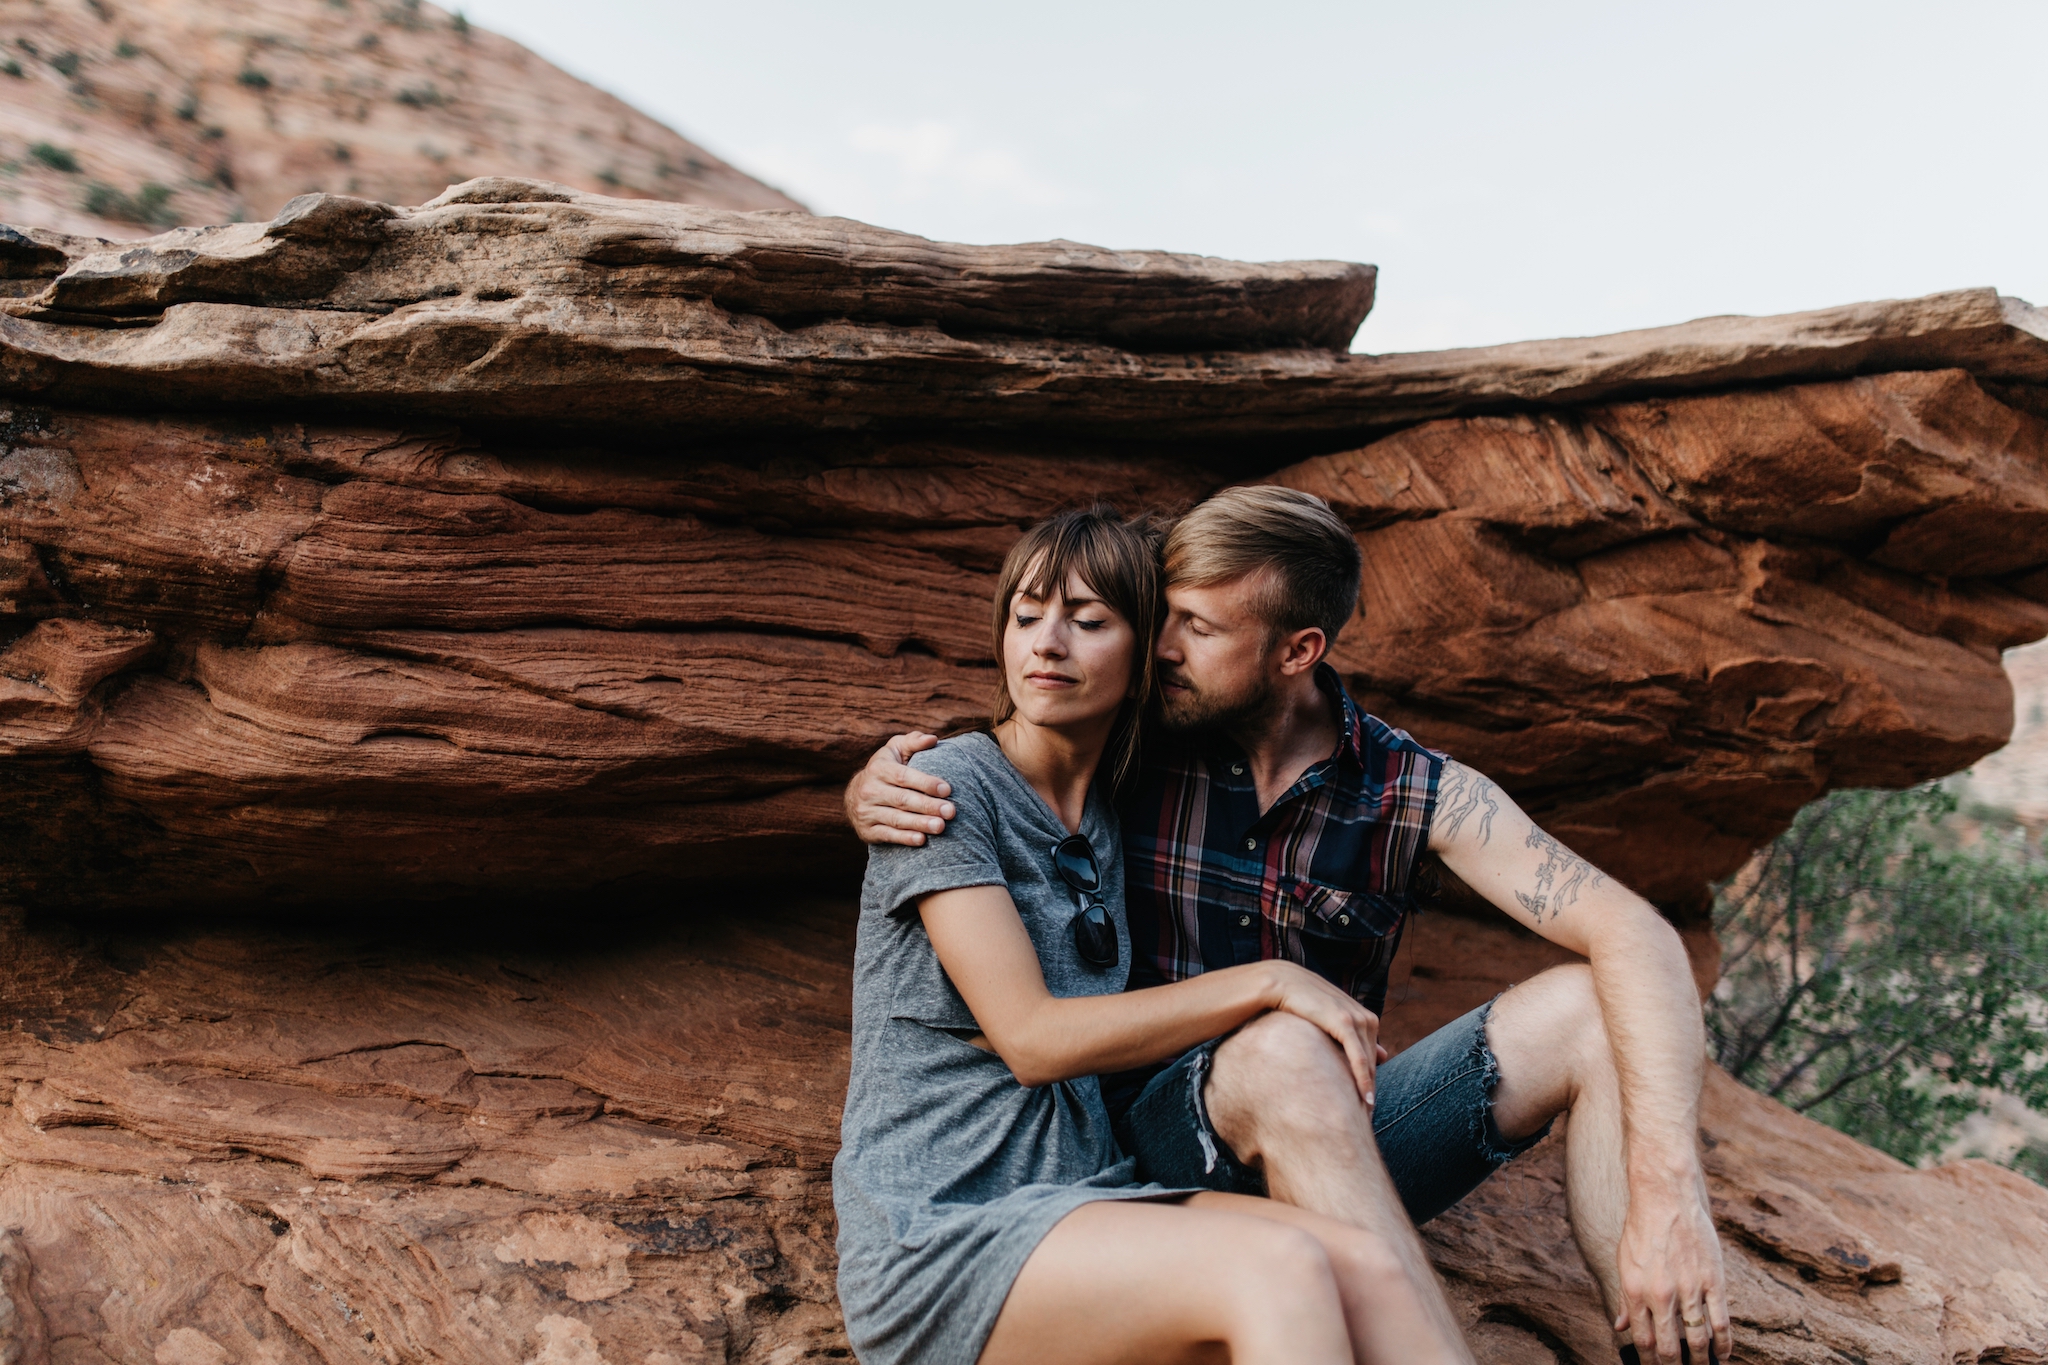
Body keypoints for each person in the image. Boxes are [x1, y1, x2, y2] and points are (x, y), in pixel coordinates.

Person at [847, 485, 1734, 1365]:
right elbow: (1013, 757)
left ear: (1297, 649)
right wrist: (873, 786)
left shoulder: (1408, 788)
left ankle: (1662, 1343)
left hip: (1327, 1132)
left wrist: (1670, 1192)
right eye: (1161, 617)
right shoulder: (1132, 729)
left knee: (1590, 1006)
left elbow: (1637, 932)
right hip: (1156, 1138)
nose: (1163, 646)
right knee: (1283, 1052)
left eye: (1196, 625)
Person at [834, 504, 1473, 1365]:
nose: (1046, 643)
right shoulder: (946, 790)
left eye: (1088, 620)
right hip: (948, 1228)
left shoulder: (1116, 809)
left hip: (1088, 1201)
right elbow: (1030, 1038)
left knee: (1365, 1264)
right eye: (1025, 617)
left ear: (1150, 652)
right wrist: (1273, 980)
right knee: (1279, 1263)